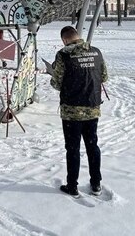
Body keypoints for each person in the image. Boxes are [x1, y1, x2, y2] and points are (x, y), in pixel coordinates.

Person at [50, 25, 108, 197]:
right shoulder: (96, 51)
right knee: (93, 146)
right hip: (92, 107)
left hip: (71, 110)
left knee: (73, 149)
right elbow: (104, 77)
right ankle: (96, 184)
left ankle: (72, 186)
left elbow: (56, 83)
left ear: (65, 40)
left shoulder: (64, 54)